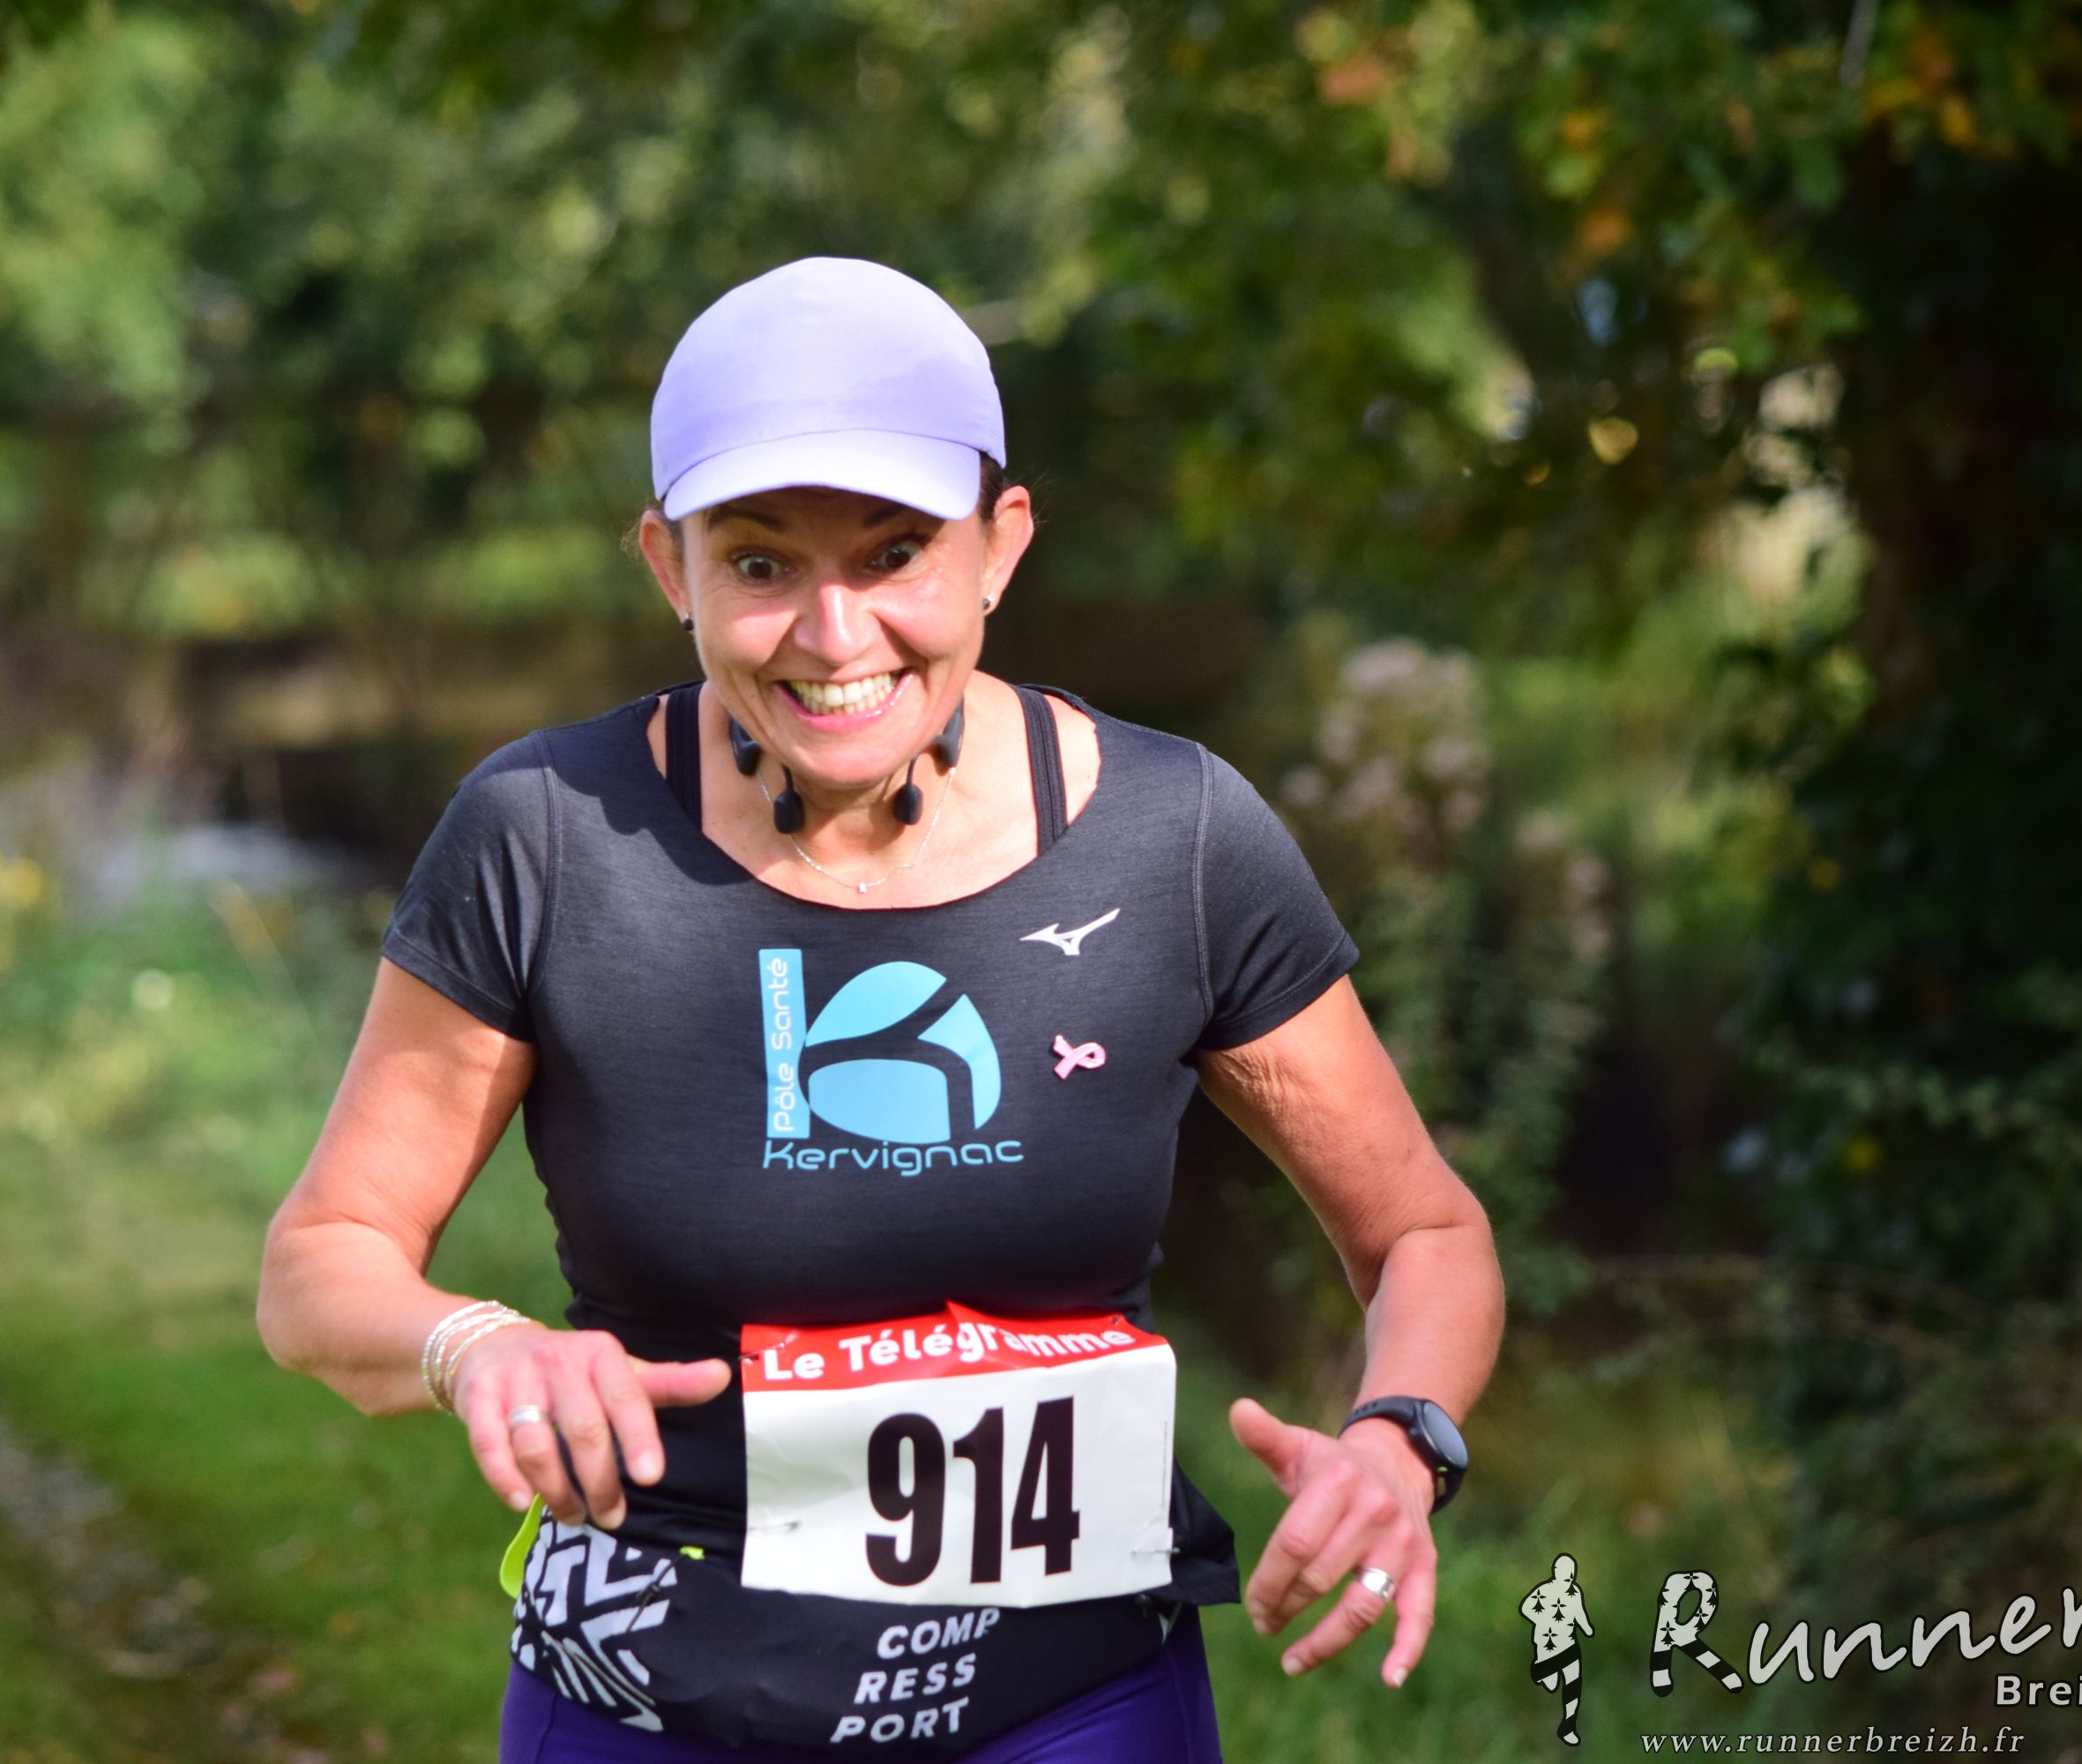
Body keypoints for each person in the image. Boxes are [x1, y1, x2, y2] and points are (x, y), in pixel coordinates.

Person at [257, 256, 1504, 1759]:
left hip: (1072, 1710)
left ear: (1001, 544)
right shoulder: (545, 834)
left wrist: (1399, 1441)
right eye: (760, 564)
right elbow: (322, 1263)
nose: (836, 634)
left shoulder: (1175, 839)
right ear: (670, 568)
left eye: (896, 552)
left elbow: (1424, 1235)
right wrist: (480, 1347)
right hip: (649, 1706)